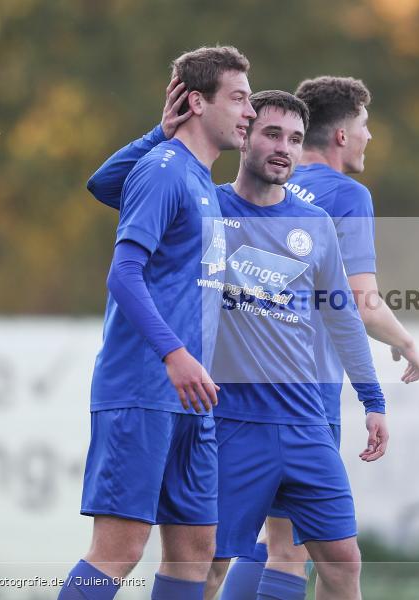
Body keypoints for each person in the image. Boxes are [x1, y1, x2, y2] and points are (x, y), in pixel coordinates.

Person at [87, 90, 385, 600]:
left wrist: (373, 399)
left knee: (342, 562)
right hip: (228, 423)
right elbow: (107, 185)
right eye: (272, 134)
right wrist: (160, 133)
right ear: (243, 136)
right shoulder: (205, 207)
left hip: (306, 423)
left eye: (294, 139)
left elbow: (342, 315)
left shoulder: (314, 225)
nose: (284, 149)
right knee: (205, 565)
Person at [59, 46, 256, 600]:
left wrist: (157, 133)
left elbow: (104, 187)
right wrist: (175, 353)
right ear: (197, 101)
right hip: (146, 387)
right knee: (118, 551)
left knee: (196, 551)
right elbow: (124, 276)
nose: (249, 112)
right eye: (239, 98)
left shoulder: (194, 179)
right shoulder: (166, 171)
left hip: (193, 398)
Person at [219, 75, 419, 600]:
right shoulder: (348, 196)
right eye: (364, 126)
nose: (368, 138)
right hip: (306, 396)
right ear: (340, 135)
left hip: (244, 393)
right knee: (288, 550)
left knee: (267, 543)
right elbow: (359, 304)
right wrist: (406, 341)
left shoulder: (280, 194)